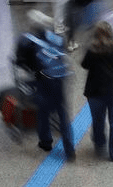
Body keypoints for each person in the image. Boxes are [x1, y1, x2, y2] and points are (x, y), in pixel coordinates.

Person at [20, 14, 77, 160]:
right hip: (59, 79)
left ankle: (45, 142)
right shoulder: (55, 38)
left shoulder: (29, 41)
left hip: (43, 80)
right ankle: (69, 149)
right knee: (62, 112)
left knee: (43, 111)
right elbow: (62, 53)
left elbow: (24, 62)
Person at [81, 21, 113, 162]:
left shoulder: (92, 50)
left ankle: (99, 143)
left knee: (98, 119)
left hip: (95, 91)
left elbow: (84, 65)